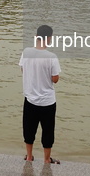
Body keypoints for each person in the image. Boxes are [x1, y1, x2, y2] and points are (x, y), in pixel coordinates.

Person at [19, 24, 61, 164]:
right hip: (47, 102)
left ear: (36, 37)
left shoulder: (26, 52)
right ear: (49, 39)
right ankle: (46, 159)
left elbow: (23, 70)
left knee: (29, 129)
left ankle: (29, 156)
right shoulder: (51, 57)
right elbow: (55, 79)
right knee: (48, 131)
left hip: (30, 99)